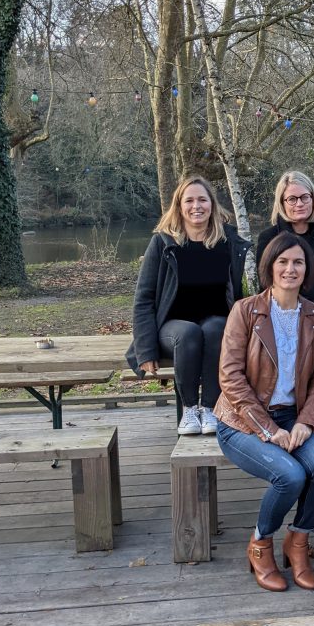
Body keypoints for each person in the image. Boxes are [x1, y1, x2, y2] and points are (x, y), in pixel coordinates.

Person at [214, 232, 314, 592]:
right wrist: (268, 429)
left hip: (293, 418)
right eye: (282, 262)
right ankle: (260, 543)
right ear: (269, 267)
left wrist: (307, 420)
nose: (290, 269)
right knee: (290, 475)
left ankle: (297, 542)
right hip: (241, 422)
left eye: (297, 262)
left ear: (307, 269)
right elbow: (230, 377)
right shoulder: (245, 310)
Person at [127, 176, 250, 436]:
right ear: (179, 206)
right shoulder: (163, 243)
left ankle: (210, 408)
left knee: (218, 327)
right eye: (190, 200)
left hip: (215, 324)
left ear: (212, 205)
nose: (197, 206)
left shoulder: (228, 242)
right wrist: (145, 350)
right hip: (172, 328)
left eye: (202, 199)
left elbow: (243, 294)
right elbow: (144, 299)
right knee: (188, 333)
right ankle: (189, 408)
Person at [256, 171, 314, 363]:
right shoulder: (268, 238)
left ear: (313, 198)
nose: (299, 204)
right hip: (283, 315)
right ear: (282, 202)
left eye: (305, 197)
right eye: (292, 199)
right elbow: (265, 287)